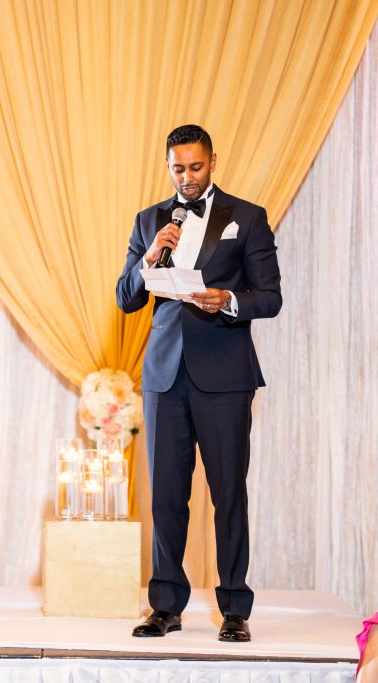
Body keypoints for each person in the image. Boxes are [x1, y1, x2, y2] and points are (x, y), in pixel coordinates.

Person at [116, 124, 282, 643]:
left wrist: (227, 301)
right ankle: (165, 605)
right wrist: (148, 259)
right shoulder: (149, 220)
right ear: (167, 167)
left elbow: (270, 297)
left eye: (195, 167)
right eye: (177, 169)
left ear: (212, 161)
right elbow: (125, 298)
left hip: (225, 376)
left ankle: (234, 608)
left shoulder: (247, 217)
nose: (186, 178)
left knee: (228, 494)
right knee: (166, 495)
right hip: (163, 377)